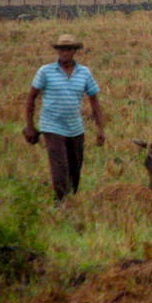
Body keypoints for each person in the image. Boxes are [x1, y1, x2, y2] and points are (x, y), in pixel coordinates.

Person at [24, 34, 105, 200]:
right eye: (61, 49)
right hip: (52, 126)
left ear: (75, 51)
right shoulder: (45, 72)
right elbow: (31, 99)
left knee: (75, 170)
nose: (65, 53)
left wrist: (100, 129)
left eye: (68, 49)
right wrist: (30, 126)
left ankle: (71, 199)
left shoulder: (84, 73)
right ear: (57, 51)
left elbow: (95, 102)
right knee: (60, 168)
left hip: (76, 127)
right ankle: (61, 202)